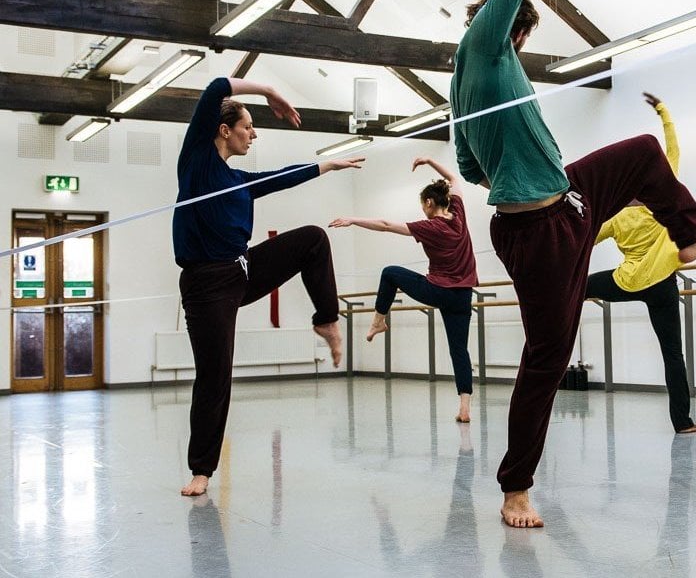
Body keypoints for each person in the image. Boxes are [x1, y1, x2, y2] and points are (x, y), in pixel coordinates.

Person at [450, 0, 696, 528]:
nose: (519, 48)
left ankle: (686, 236)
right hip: (536, 229)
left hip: (565, 200)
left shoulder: (464, 81)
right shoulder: (486, 43)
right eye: (520, 36)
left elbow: (468, 166)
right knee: (547, 355)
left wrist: (521, 154)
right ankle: (515, 488)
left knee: (639, 153)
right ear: (508, 25)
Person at [173, 76, 362, 497]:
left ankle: (326, 320)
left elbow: (281, 178)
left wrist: (327, 165)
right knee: (215, 374)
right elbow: (213, 88)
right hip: (207, 286)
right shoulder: (197, 163)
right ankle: (201, 470)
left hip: (242, 269)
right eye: (248, 127)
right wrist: (271, 91)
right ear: (225, 130)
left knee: (313, 238)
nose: (253, 134)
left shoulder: (239, 181)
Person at [329, 157, 478, 423]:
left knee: (390, 273)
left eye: (423, 206)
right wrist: (431, 161)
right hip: (463, 295)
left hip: (438, 290)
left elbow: (386, 225)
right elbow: (454, 180)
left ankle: (378, 321)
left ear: (429, 203)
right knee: (460, 350)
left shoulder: (430, 226)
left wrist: (353, 219)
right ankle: (464, 407)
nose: (422, 211)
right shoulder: (459, 214)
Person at [586, 92, 696, 434]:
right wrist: (663, 110)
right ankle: (682, 422)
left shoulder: (616, 215)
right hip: (663, 283)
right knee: (673, 354)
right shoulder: (662, 199)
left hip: (627, 280)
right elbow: (673, 150)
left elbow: (584, 237)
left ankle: (550, 310)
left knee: (576, 288)